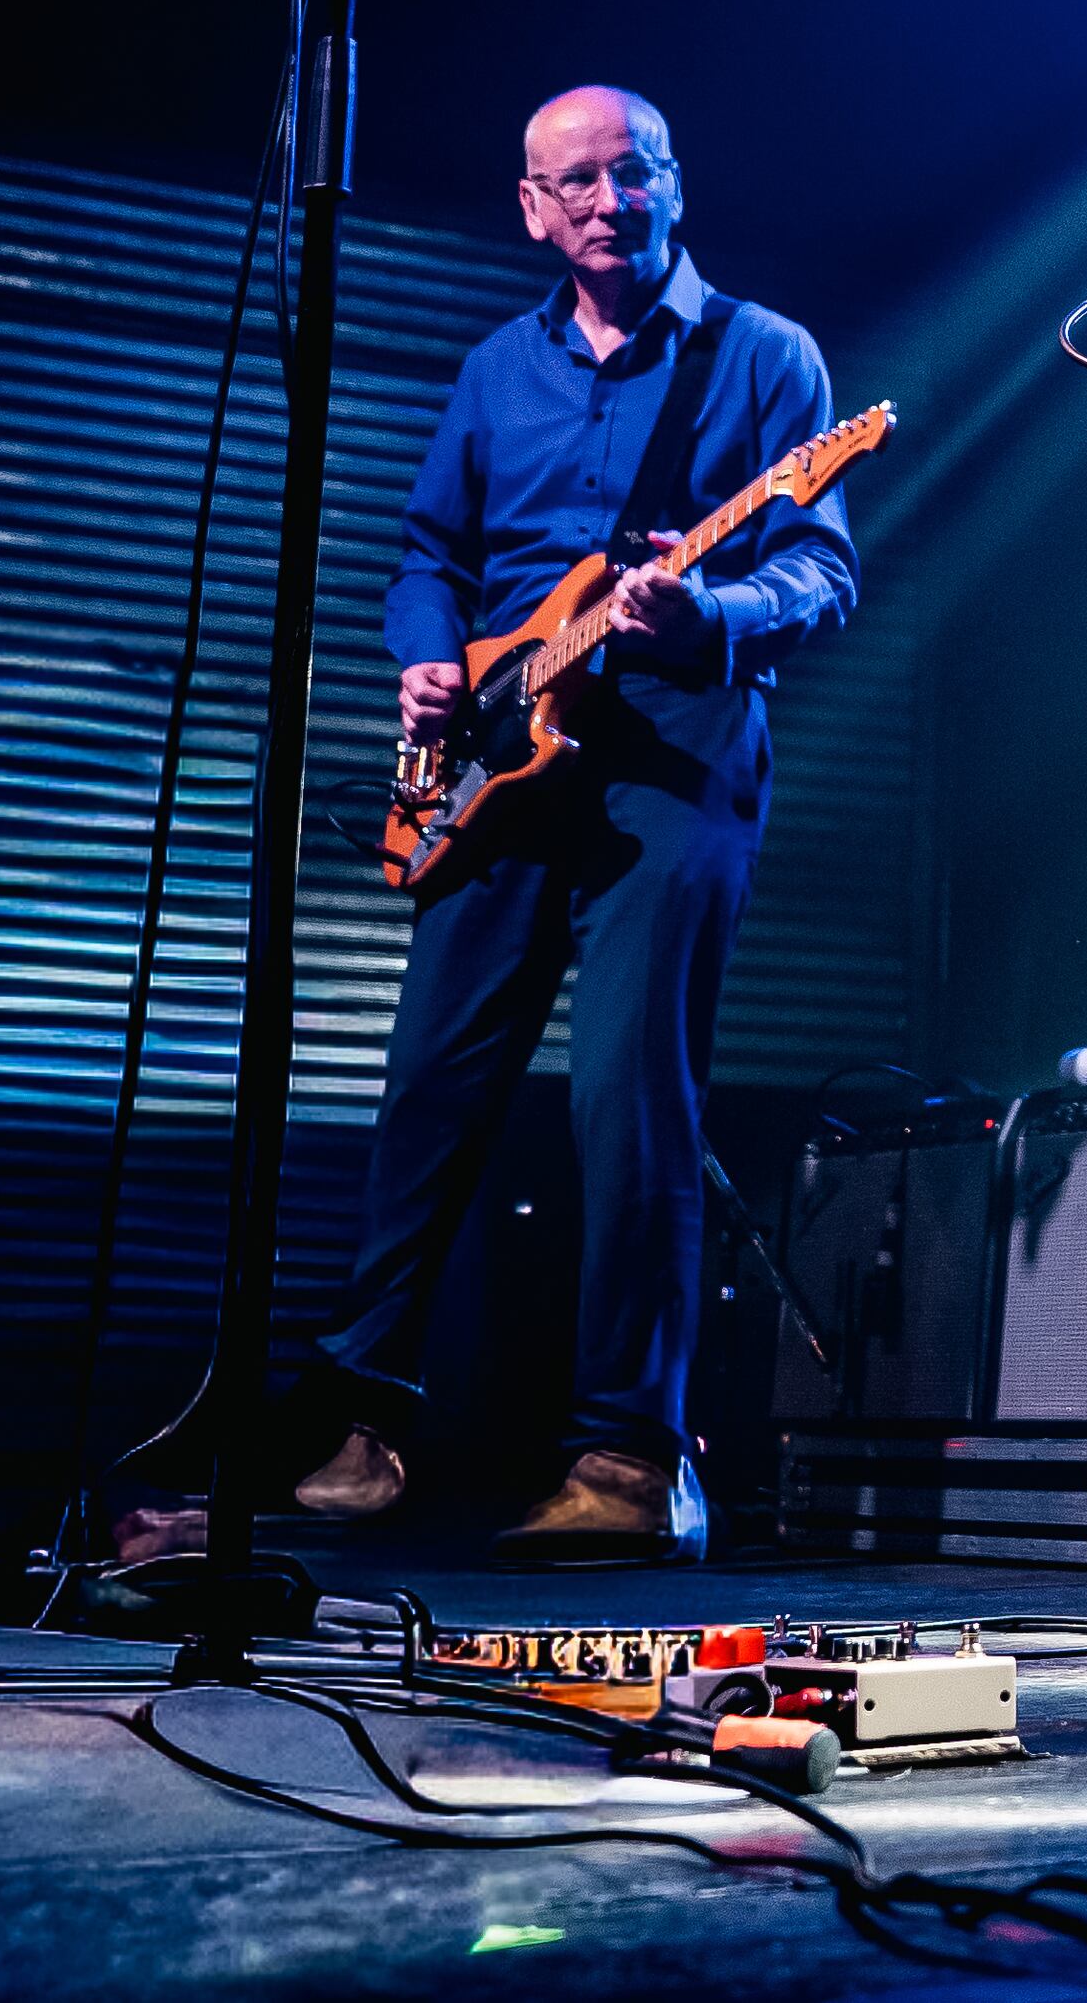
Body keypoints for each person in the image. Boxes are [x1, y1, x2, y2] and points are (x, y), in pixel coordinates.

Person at [286, 84, 857, 1560]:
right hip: (498, 755)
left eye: (634, 172)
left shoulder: (765, 356)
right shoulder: (497, 368)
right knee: (428, 1090)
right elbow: (429, 554)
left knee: (629, 1095)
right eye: (579, 182)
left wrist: (702, 612)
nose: (611, 200)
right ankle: (363, 1423)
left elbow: (820, 572)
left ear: (674, 183)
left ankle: (628, 1459)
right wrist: (429, 660)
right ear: (533, 209)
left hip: (675, 748)